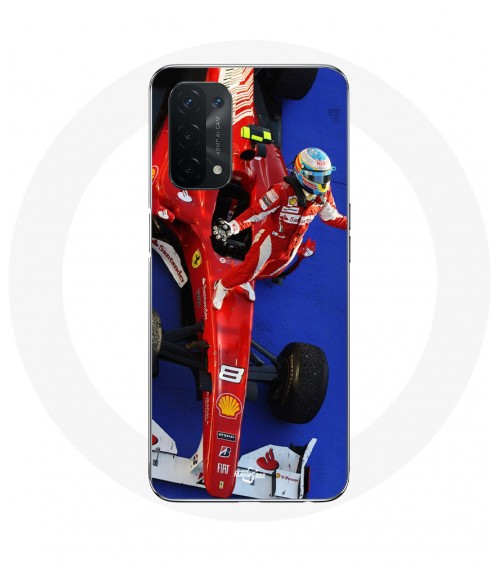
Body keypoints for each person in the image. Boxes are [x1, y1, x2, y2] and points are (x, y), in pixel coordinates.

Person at [212, 147, 347, 309]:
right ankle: (222, 285)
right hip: (269, 242)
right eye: (318, 177)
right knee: (248, 270)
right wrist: (232, 227)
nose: (323, 182)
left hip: (292, 246)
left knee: (271, 272)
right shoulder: (280, 192)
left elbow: (332, 217)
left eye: (326, 176)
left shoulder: (324, 194)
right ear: (303, 174)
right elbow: (255, 213)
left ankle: (245, 279)